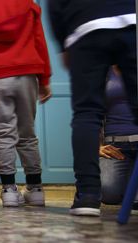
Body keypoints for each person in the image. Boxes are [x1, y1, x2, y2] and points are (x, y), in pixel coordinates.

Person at [48, 0, 137, 216]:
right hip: (129, 22)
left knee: (86, 112)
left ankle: (87, 197)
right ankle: (90, 193)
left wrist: (63, 45)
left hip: (85, 27)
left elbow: (55, 7)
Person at [0, 0, 51, 207]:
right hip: (27, 72)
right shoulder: (27, 4)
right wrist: (45, 79)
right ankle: (35, 188)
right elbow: (40, 40)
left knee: (3, 133)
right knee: (27, 132)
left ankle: (9, 190)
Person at [99, 67, 138, 209]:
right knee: (109, 193)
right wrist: (98, 146)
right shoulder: (103, 71)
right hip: (115, 146)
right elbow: (90, 111)